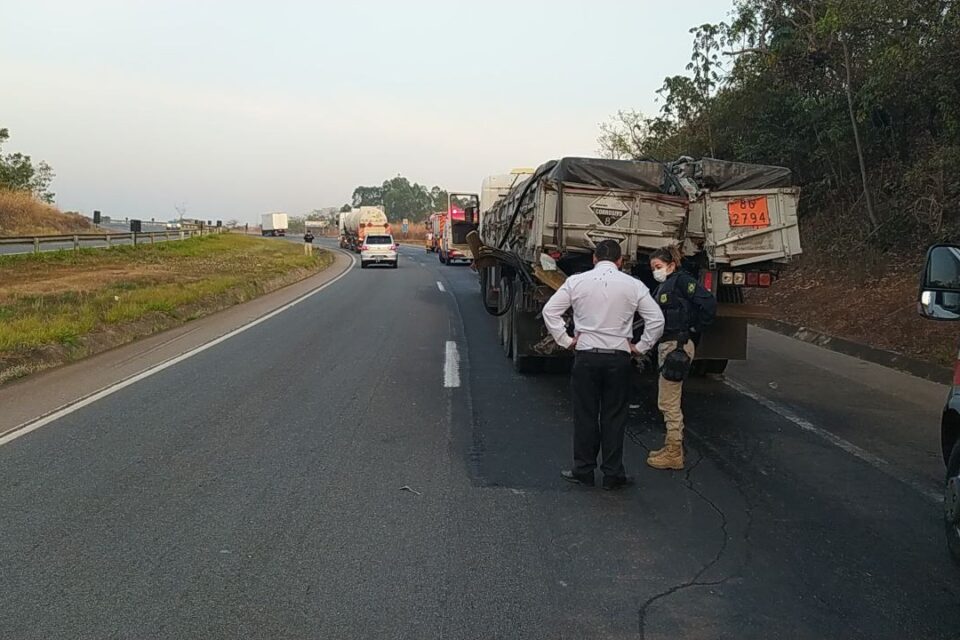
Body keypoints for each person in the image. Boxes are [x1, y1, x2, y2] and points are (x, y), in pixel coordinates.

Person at [543, 240, 665, 490]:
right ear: (620, 261)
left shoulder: (577, 282)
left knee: (585, 415)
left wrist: (566, 340)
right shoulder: (634, 285)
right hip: (618, 358)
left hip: (586, 356)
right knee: (614, 416)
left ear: (594, 259)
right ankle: (612, 474)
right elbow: (657, 320)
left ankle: (584, 470)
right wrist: (641, 347)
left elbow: (550, 311)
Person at [647, 246, 717, 471]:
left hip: (676, 345)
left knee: (669, 400)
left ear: (671, 264)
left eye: (658, 267)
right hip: (669, 343)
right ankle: (670, 445)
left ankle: (674, 451)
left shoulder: (681, 281)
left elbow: (708, 303)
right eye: (653, 268)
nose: (655, 271)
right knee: (666, 398)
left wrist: (696, 329)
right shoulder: (666, 284)